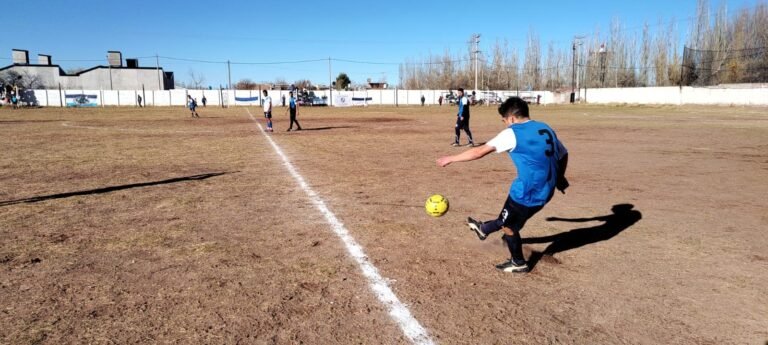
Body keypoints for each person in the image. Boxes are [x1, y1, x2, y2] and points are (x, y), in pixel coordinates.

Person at [437, 97, 569, 273]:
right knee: (509, 219)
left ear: (512, 118)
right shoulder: (545, 127)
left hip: (527, 192)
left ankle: (518, 262)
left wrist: (450, 158)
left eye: (505, 120)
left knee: (509, 226)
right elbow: (563, 154)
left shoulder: (513, 132)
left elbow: (479, 152)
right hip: (546, 189)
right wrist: (559, 177)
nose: (506, 124)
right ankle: (483, 229)